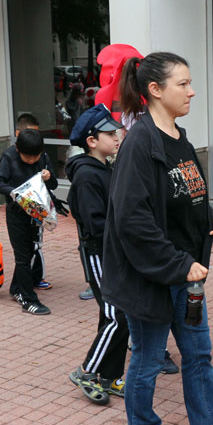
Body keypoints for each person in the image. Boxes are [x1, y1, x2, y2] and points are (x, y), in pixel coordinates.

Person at [102, 51, 213, 425]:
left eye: (190, 82)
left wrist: (207, 216)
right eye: (183, 84)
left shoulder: (179, 137)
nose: (192, 90)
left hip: (185, 276)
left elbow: (183, 193)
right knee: (148, 359)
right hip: (153, 276)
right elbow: (132, 220)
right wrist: (179, 263)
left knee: (199, 357)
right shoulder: (139, 143)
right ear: (155, 90)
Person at [65, 104, 129, 405]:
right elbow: (95, 224)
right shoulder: (87, 176)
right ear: (91, 141)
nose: (116, 137)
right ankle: (87, 371)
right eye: (109, 133)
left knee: (119, 316)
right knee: (116, 316)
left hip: (112, 253)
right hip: (98, 254)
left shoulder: (105, 168)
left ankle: (110, 376)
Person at [0, 113, 58, 291]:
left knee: (34, 248)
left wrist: (49, 177)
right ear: (18, 150)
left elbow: (54, 185)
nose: (33, 161)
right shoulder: (9, 156)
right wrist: (12, 194)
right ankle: (25, 294)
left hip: (37, 211)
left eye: (36, 157)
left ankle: (21, 286)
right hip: (16, 212)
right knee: (23, 255)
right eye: (28, 158)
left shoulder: (43, 157)